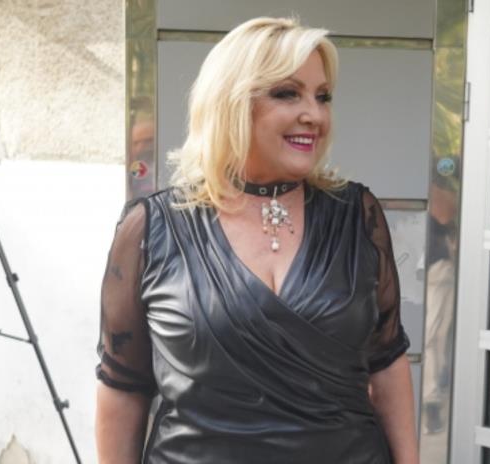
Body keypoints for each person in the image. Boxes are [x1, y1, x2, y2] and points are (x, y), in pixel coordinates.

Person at [95, 17, 419, 464]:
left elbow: (386, 361)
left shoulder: (357, 215)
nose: (315, 115)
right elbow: (122, 385)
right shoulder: (150, 228)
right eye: (287, 93)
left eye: (322, 96)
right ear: (230, 102)